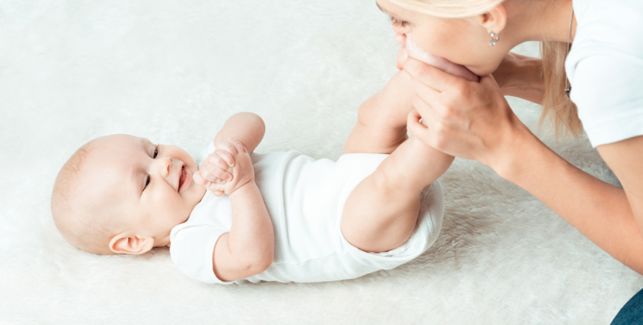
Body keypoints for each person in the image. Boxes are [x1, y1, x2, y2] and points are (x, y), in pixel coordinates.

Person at [50, 67, 455, 284]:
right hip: (354, 232)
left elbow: (251, 120)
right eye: (146, 181)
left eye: (153, 150)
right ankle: (459, 122)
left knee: (374, 117)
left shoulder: (213, 165)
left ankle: (443, 68)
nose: (164, 164)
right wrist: (242, 188)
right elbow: (251, 257)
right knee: (392, 182)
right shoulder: (191, 247)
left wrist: (229, 144)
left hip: (349, 172)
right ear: (134, 241)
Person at [374, 0, 643, 321]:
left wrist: (504, 145)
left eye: (403, 22)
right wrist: (516, 74)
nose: (398, 38)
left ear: (487, 16)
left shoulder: (610, 67)